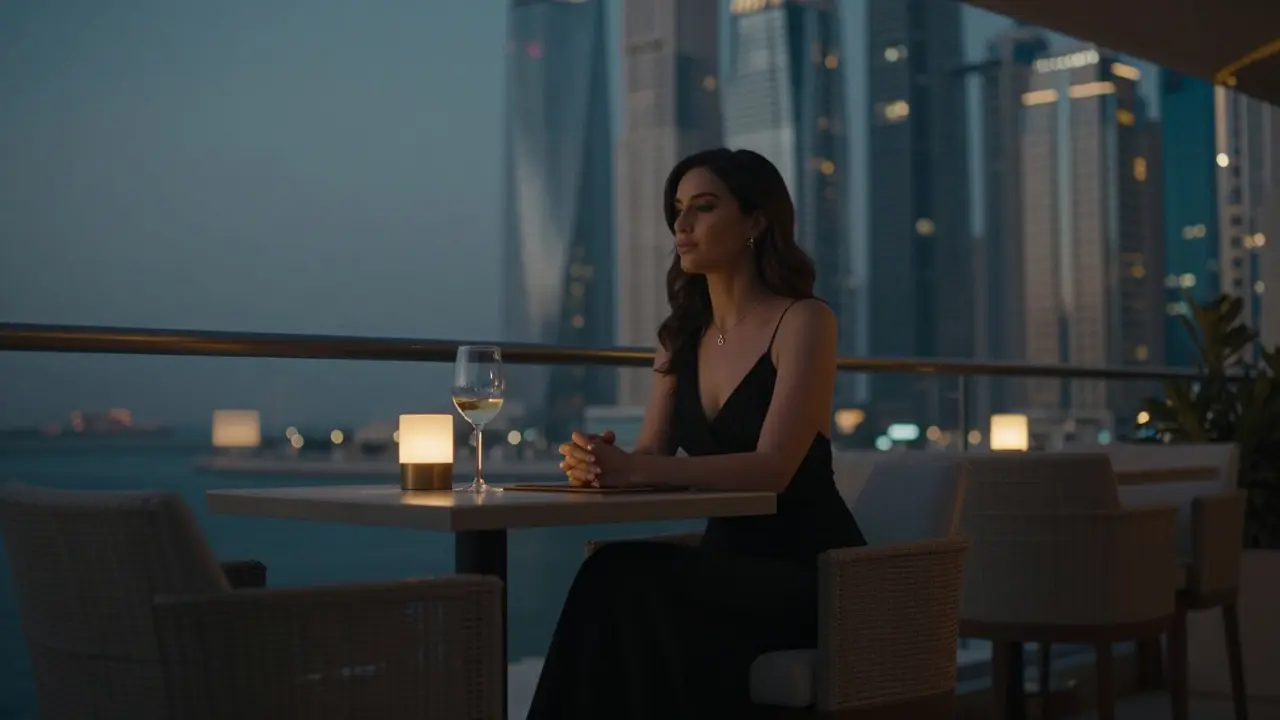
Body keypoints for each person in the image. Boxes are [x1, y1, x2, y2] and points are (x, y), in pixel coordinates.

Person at [526, 148, 866, 719]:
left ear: (757, 220)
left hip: (811, 574)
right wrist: (600, 462)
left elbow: (772, 469)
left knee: (620, 576)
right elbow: (653, 453)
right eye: (677, 210)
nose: (681, 225)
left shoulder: (804, 321)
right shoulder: (679, 338)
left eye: (703, 209)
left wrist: (636, 469)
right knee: (615, 576)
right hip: (724, 564)